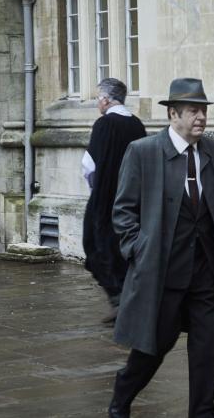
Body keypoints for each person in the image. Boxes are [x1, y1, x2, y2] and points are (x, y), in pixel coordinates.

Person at [107, 78, 214, 418]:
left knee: (207, 349)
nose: (200, 118)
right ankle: (122, 396)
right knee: (154, 346)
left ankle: (203, 412)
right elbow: (123, 211)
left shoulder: (213, 151)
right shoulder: (144, 152)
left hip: (208, 272)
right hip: (163, 272)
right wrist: (139, 249)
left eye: (203, 111)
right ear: (173, 114)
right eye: (193, 111)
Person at [82, 78, 147, 324]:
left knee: (96, 245)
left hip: (105, 197)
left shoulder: (104, 124)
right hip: (133, 198)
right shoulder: (137, 125)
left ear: (106, 100)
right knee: (125, 247)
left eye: (99, 98)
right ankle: (127, 298)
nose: (98, 103)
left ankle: (119, 298)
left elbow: (89, 166)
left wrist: (96, 189)